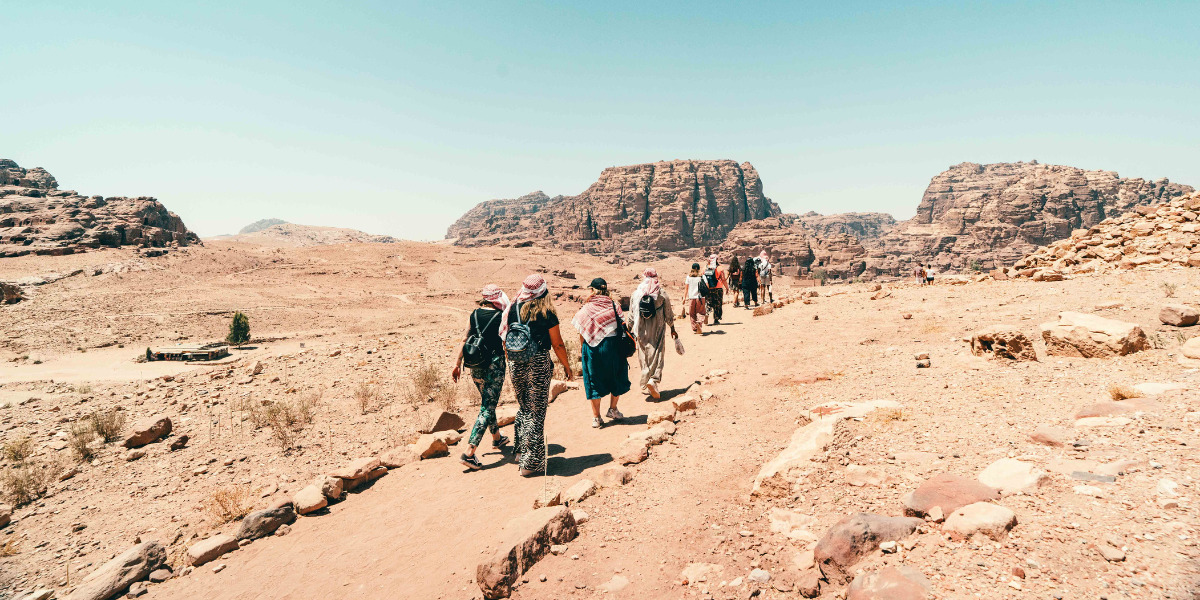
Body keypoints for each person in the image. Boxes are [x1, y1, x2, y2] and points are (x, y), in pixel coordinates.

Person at [502, 274, 573, 477]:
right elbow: (558, 344)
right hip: (538, 362)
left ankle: (520, 452)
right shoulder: (546, 312)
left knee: (524, 407)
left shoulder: (513, 308)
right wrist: (567, 368)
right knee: (537, 412)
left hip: (516, 362)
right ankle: (530, 464)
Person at [451, 284, 511, 470]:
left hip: (474, 364)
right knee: (487, 406)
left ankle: (497, 438)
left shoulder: (474, 314)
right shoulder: (501, 316)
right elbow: (505, 341)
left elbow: (464, 338)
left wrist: (456, 363)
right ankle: (469, 452)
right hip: (494, 365)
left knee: (487, 402)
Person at [572, 278, 632, 428]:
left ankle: (596, 418)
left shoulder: (587, 308)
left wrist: (583, 349)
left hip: (592, 347)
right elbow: (623, 324)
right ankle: (613, 409)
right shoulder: (614, 305)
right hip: (614, 346)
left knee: (593, 380)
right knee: (617, 376)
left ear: (593, 290)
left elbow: (581, 330)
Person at [628, 267, 677, 399]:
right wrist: (672, 328)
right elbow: (668, 313)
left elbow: (631, 316)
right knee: (658, 352)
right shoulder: (661, 293)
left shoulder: (636, 294)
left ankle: (646, 375)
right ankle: (653, 380)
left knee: (644, 353)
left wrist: (629, 330)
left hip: (641, 331)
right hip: (658, 329)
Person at [683, 263, 707, 334]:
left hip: (692, 297)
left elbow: (686, 289)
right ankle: (699, 323)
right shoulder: (702, 276)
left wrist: (684, 298)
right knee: (701, 312)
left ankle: (695, 329)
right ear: (699, 269)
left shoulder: (688, 277)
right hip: (700, 297)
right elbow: (707, 286)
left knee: (692, 314)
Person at [703, 254, 725, 326]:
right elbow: (723, 279)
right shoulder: (720, 268)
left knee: (708, 302)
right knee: (717, 304)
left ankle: (707, 313)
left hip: (708, 289)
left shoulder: (704, 268)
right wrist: (727, 288)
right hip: (718, 288)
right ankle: (716, 319)